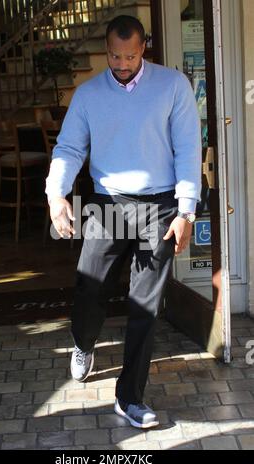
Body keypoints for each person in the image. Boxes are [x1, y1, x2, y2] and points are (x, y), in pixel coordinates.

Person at [45, 15, 202, 429]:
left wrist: (186, 210)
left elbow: (188, 147)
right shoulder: (88, 94)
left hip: (162, 205)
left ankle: (129, 397)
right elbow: (68, 148)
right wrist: (56, 195)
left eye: (129, 56)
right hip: (106, 203)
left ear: (143, 47)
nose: (120, 63)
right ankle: (83, 342)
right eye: (114, 55)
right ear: (108, 48)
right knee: (89, 290)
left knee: (144, 307)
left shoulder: (172, 86)